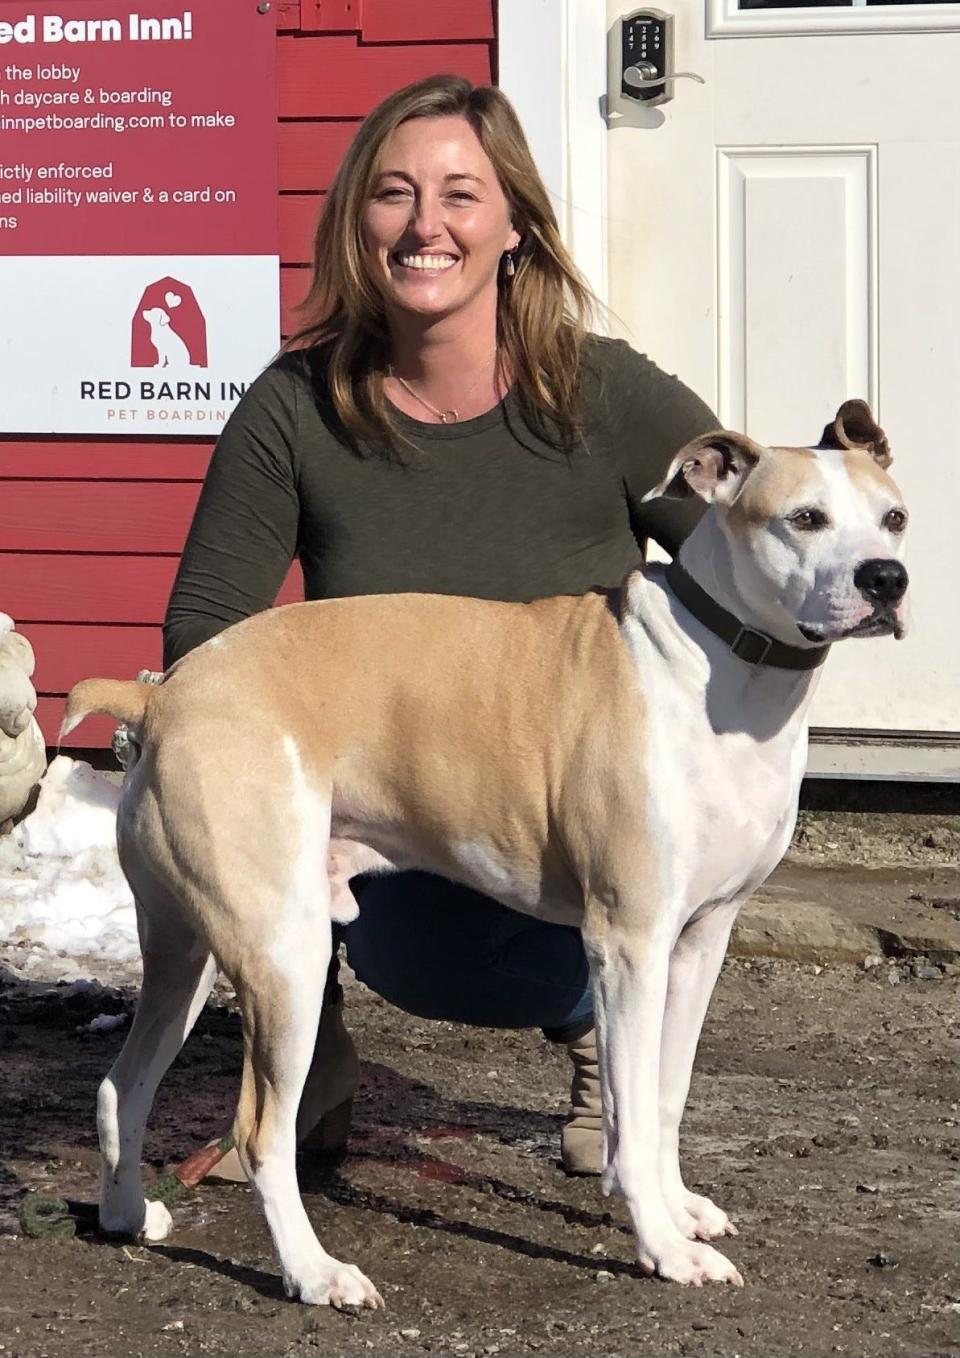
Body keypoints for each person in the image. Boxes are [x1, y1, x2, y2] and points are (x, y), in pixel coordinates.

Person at [162, 74, 719, 1180]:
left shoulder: (604, 395)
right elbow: (207, 638)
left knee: (538, 953)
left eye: (462, 195)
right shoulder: (295, 406)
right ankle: (296, 1044)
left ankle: (602, 1037)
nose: (427, 226)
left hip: (575, 800)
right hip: (394, 798)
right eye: (394, 194)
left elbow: (749, 559)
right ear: (356, 222)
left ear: (514, 223)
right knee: (420, 947)